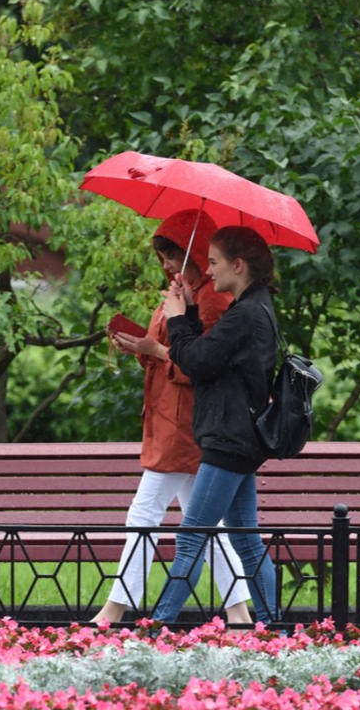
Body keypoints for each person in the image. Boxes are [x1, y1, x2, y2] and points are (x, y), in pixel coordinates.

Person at [90, 210, 253, 626]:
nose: (165, 264)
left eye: (172, 254)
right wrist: (144, 346)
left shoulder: (212, 300)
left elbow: (202, 367)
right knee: (207, 524)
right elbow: (171, 354)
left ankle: (114, 610)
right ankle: (238, 613)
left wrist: (158, 345)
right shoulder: (184, 293)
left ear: (195, 254)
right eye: (162, 255)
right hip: (169, 419)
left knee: (144, 514)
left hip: (185, 425)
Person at [150, 225, 280, 627]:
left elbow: (197, 361)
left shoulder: (244, 315)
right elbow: (208, 357)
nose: (208, 269)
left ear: (238, 265)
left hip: (229, 438)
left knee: (192, 536)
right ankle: (275, 628)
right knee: (245, 539)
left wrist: (176, 319)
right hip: (239, 438)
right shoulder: (255, 308)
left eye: (215, 262)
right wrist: (187, 311)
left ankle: (158, 627)